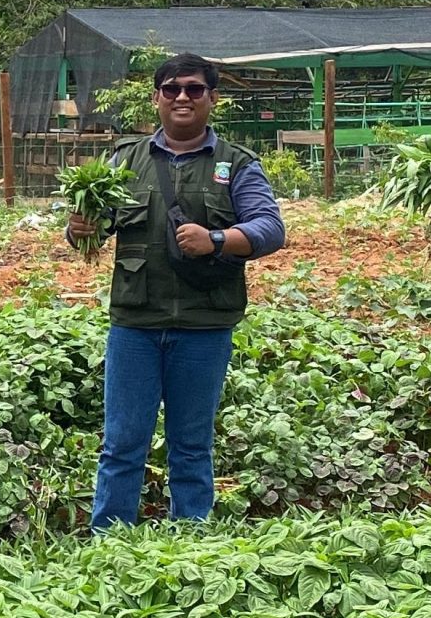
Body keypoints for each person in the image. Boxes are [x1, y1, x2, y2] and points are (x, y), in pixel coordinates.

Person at [70, 52, 286, 526]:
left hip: (204, 326)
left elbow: (270, 229)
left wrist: (215, 240)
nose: (182, 97)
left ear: (213, 98)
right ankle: (110, 541)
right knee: (122, 442)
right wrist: (81, 227)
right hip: (135, 324)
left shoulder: (236, 164)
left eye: (193, 88)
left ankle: (191, 540)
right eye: (171, 89)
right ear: (157, 98)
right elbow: (93, 228)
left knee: (192, 444)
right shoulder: (124, 160)